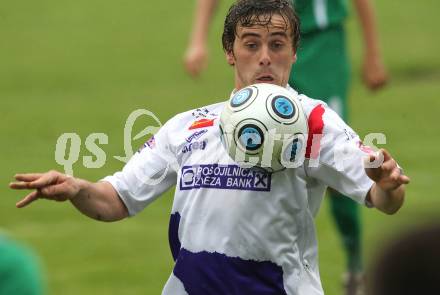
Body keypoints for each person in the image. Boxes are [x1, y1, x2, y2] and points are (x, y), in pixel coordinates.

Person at [10, 0, 408, 294]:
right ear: (229, 53)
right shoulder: (188, 126)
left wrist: (388, 184)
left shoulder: (313, 121)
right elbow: (116, 200)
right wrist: (78, 188)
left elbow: (382, 197)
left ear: (294, 52)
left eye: (277, 45)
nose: (265, 58)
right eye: (251, 45)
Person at [184, 0, 389, 292]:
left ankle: (355, 261)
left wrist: (373, 55)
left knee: (337, 157)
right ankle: (249, 254)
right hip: (268, 46)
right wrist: (197, 41)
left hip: (321, 48)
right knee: (257, 142)